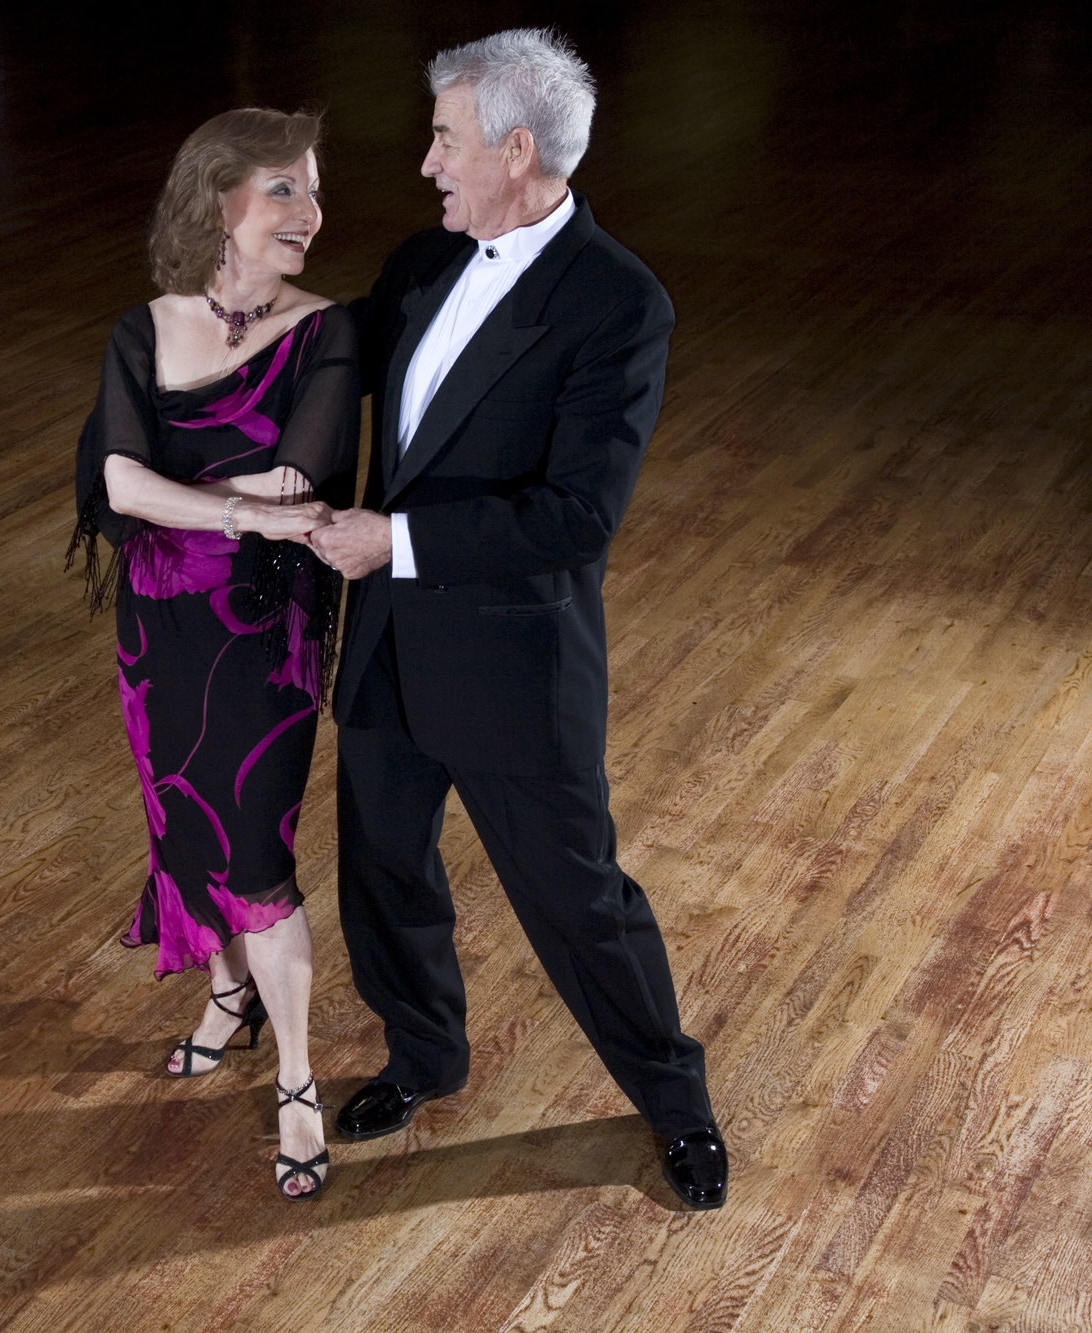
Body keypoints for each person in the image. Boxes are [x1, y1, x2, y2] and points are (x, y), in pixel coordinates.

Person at [307, 29, 729, 1210]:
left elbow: (575, 516)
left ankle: (673, 1102)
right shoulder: (422, 263)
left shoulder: (615, 304)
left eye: (443, 141)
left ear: (514, 148)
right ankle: (422, 1053)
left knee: (577, 900)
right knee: (382, 872)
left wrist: (388, 541)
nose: (428, 164)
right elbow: (333, 360)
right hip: (391, 644)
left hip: (507, 666)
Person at [69, 107, 360, 1201]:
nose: (308, 210)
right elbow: (117, 486)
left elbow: (305, 481)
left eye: (312, 188)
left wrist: (196, 499)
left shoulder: (327, 332)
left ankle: (294, 1078)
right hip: (158, 627)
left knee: (257, 851)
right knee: (182, 822)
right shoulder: (139, 331)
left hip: (260, 637)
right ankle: (226, 997)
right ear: (213, 201)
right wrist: (238, 507)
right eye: (281, 187)